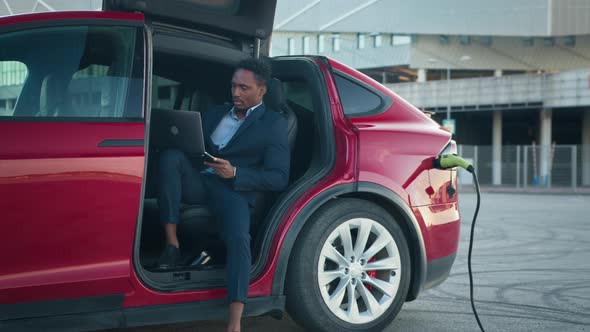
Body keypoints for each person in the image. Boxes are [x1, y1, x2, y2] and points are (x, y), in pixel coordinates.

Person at [157, 58, 290, 332]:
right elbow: (195, 145)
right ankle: (172, 245)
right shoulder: (215, 112)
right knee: (171, 157)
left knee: (239, 239)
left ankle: (234, 321)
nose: (236, 93)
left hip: (234, 189)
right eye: (233, 86)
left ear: (262, 90)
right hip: (201, 179)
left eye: (244, 88)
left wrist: (236, 173)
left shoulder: (273, 124)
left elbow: (279, 177)